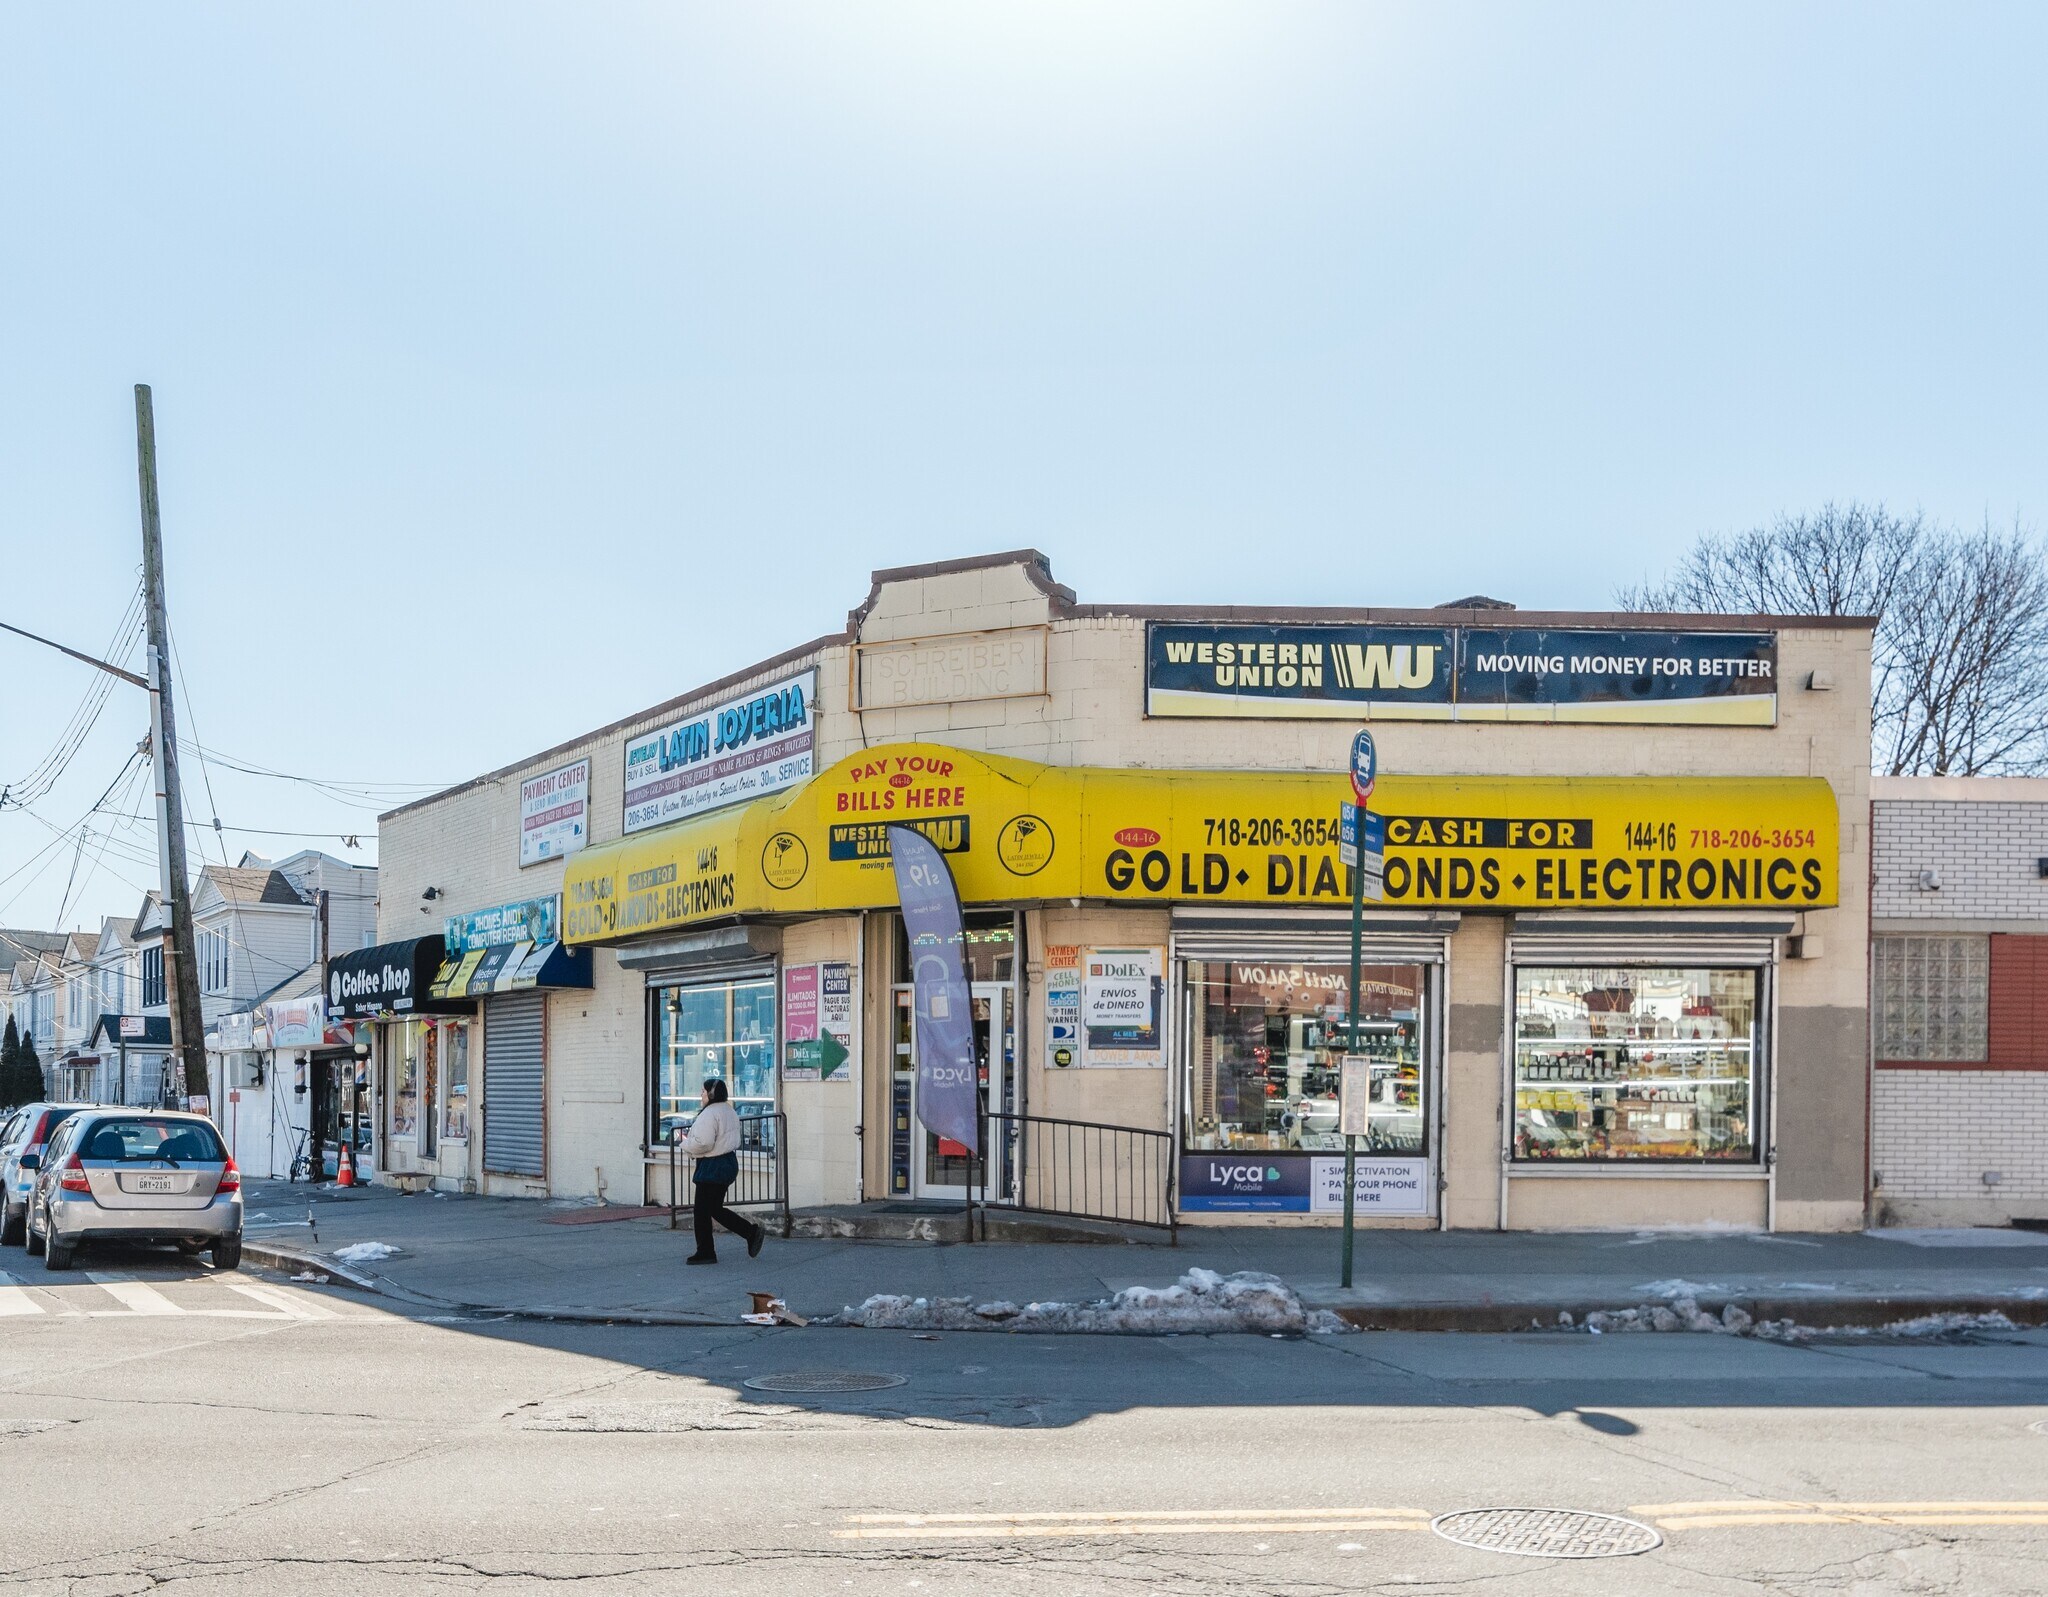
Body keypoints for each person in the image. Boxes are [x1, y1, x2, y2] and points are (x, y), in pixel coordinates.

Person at [681, 1078, 763, 1264]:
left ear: (711, 1094)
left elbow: (704, 1142)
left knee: (702, 1211)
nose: (700, 1095)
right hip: (727, 1162)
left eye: (703, 1091)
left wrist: (685, 1145)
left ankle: (706, 1251)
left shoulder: (710, 1113)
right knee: (713, 1208)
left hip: (712, 1166)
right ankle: (749, 1233)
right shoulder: (729, 1110)